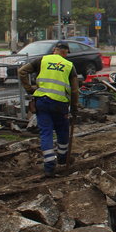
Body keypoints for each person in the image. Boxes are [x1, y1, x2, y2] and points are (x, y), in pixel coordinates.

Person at [18, 41, 80, 177]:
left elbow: (22, 71)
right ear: (65, 52)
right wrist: (74, 108)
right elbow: (75, 90)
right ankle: (63, 158)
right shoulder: (69, 66)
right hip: (60, 105)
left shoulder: (42, 60)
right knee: (62, 131)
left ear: (54, 50)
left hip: (42, 102)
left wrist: (29, 89)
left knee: (46, 133)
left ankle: (49, 167)